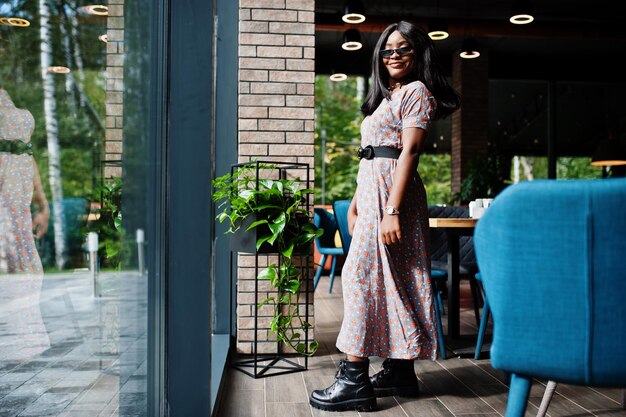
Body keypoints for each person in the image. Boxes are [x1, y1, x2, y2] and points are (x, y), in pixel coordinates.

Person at [309, 21, 460, 412]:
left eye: (403, 49)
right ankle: (399, 370)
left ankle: (354, 379)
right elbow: (372, 155)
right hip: (374, 190)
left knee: (360, 277)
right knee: (394, 277)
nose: (394, 56)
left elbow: (408, 153)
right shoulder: (386, 97)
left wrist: (390, 210)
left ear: (418, 54)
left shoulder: (416, 92)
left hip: (395, 196)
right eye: (387, 50)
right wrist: (359, 203)